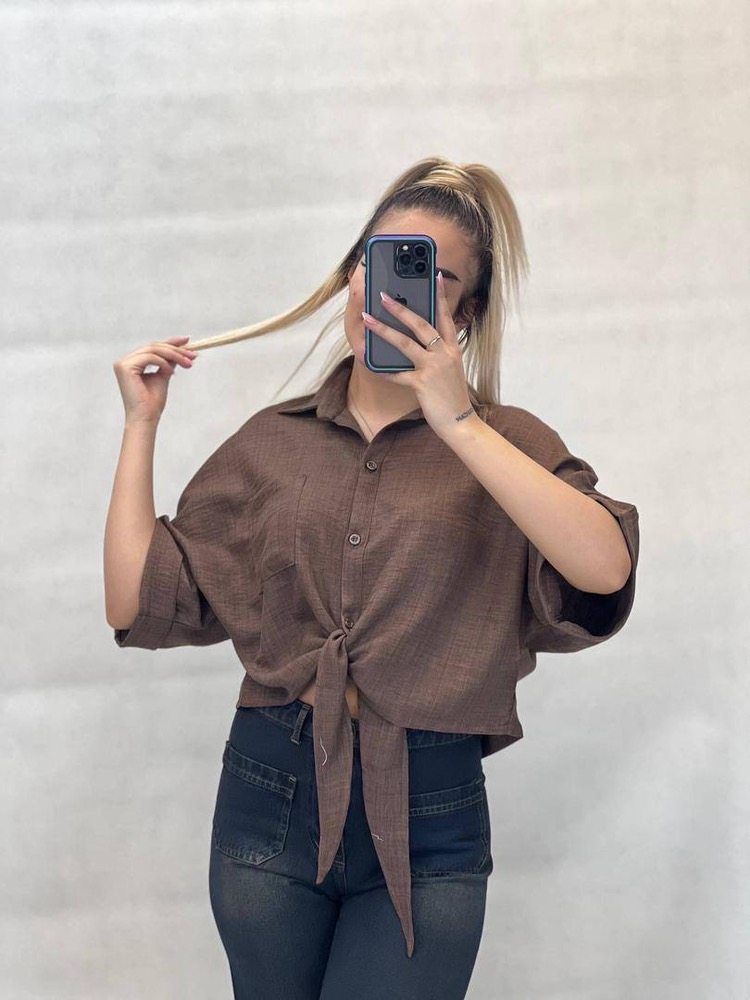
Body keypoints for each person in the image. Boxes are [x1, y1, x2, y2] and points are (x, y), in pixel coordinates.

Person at [104, 157, 639, 999]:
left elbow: (604, 570)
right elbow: (136, 600)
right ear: (352, 274)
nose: (385, 294)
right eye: (376, 261)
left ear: (464, 313)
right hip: (270, 794)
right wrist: (141, 425)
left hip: (430, 814)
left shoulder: (506, 445)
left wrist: (456, 420)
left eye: (423, 276)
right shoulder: (273, 442)